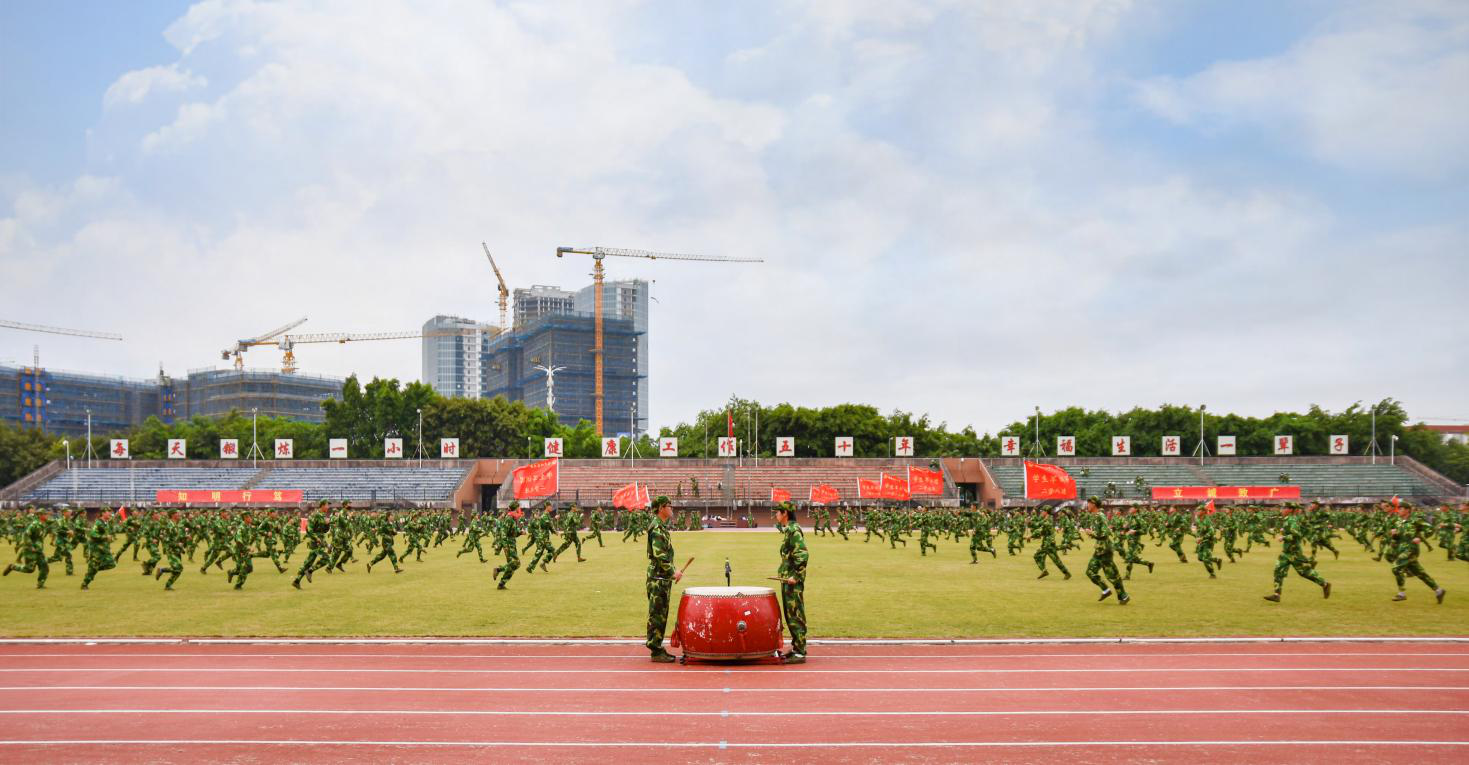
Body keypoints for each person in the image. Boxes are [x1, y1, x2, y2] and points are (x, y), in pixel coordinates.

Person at [1264, 505, 1331, 603]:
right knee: (1278, 570)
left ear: (1290, 510)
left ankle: (1325, 584)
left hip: (1294, 552)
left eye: (1284, 508)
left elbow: (1297, 535)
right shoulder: (1287, 519)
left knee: (1304, 572)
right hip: (1286, 552)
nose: (1282, 510)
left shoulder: (1292, 520)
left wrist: (1284, 537)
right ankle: (1276, 595)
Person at [645, 496, 682, 663]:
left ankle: (657, 648)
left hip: (661, 577)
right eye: (669, 505)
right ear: (661, 508)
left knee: (661, 614)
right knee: (657, 615)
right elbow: (659, 555)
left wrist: (672, 572)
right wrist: (673, 572)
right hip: (658, 578)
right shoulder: (657, 528)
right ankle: (655, 650)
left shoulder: (660, 526)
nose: (671, 508)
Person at [774, 502, 808, 664]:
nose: (776, 515)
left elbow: (802, 555)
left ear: (785, 513)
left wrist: (796, 576)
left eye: (778, 512)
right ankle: (796, 647)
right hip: (787, 579)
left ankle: (800, 652)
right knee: (790, 615)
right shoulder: (789, 529)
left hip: (792, 581)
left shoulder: (794, 531)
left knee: (795, 615)